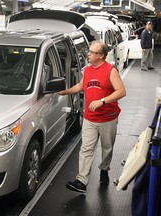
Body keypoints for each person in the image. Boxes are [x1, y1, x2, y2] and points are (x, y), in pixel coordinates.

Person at [58, 40, 126, 193]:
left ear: (101, 55)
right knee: (86, 149)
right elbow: (81, 86)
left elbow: (121, 91)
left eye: (92, 52)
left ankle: (104, 169)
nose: (88, 54)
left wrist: (102, 101)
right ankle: (82, 181)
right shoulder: (88, 70)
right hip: (90, 118)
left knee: (107, 148)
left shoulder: (110, 70)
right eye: (89, 51)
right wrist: (65, 92)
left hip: (108, 117)